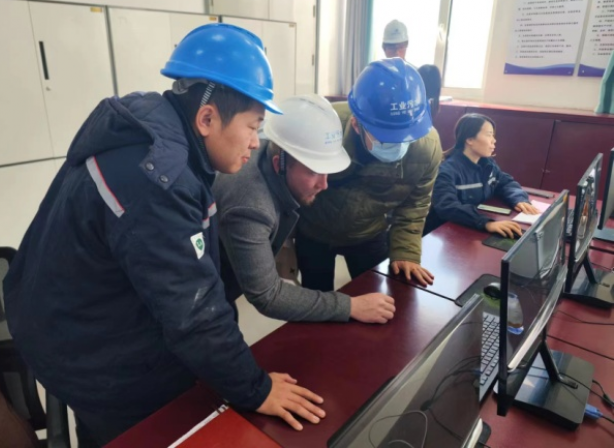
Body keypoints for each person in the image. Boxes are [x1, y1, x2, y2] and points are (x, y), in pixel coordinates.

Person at [2, 24, 325, 447]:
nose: (255, 143)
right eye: (253, 126)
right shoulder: (159, 179)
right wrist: (256, 389)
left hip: (66, 313)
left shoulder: (152, 127)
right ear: (207, 118)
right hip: (85, 348)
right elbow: (195, 313)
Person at [214, 94, 396, 325]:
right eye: (313, 172)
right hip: (201, 295)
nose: (324, 184)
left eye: (326, 170)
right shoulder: (251, 206)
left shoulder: (274, 145)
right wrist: (350, 306)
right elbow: (268, 295)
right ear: (280, 164)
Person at [296, 58, 442, 291]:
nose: (397, 144)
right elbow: (288, 182)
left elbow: (415, 205)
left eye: (405, 136)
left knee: (378, 299)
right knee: (316, 301)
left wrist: (406, 252)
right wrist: (282, 243)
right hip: (314, 230)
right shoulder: (323, 126)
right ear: (356, 124)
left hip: (369, 233)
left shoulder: (427, 147)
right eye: (386, 137)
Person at [423, 113, 540, 237]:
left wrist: (518, 199)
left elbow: (505, 182)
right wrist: (486, 223)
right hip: (443, 232)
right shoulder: (446, 170)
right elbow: (448, 206)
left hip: (470, 226)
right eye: (489, 135)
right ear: (469, 139)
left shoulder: (487, 164)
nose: (494, 140)